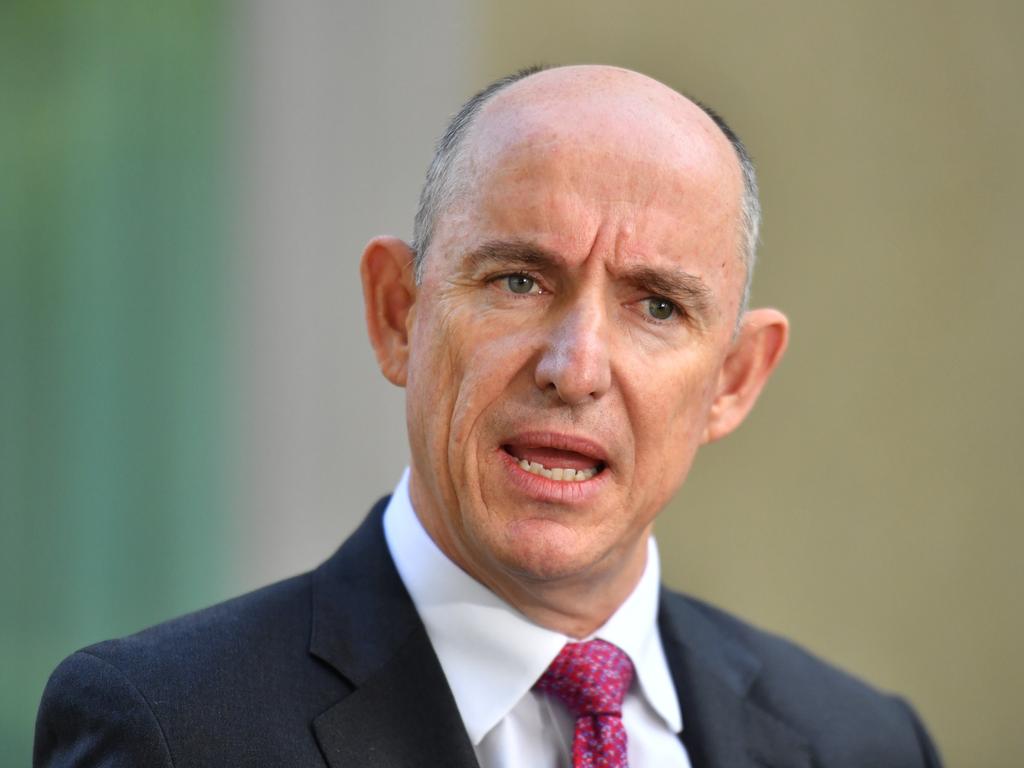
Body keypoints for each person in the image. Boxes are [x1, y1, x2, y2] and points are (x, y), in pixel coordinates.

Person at [35, 64, 942, 767]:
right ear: (398, 313)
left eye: (656, 305)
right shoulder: (170, 731)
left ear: (735, 380)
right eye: (518, 280)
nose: (576, 369)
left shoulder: (862, 743)